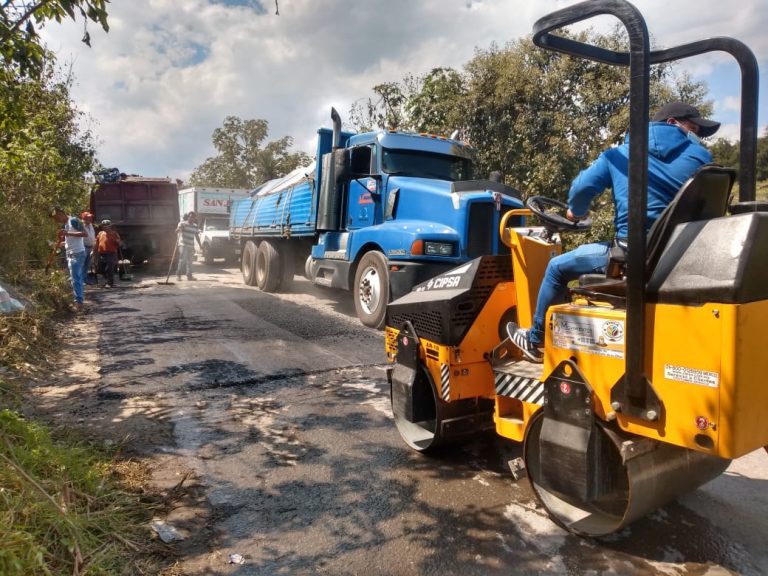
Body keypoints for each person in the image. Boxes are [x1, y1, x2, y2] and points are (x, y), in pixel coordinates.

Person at [509, 101, 720, 363]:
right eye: (693, 127)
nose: (695, 134)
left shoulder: (619, 155)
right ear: (671, 124)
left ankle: (535, 339)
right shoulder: (701, 158)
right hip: (681, 254)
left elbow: (581, 189)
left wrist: (575, 212)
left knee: (555, 268)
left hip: (633, 255)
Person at [50, 207, 89, 307]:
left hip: (77, 254)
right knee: (74, 278)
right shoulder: (66, 224)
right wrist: (60, 244)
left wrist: (67, 233)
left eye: (56, 217)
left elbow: (85, 234)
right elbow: (70, 240)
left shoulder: (74, 220)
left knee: (76, 278)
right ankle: (78, 300)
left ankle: (79, 302)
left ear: (61, 213)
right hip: (70, 254)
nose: (55, 220)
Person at [176, 211, 202, 280]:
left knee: (190, 261)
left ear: (194, 218)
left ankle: (189, 276)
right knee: (182, 260)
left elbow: (196, 236)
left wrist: (200, 245)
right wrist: (179, 228)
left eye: (193, 217)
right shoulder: (183, 224)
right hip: (183, 245)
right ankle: (178, 275)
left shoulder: (195, 226)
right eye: (190, 217)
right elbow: (176, 231)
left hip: (191, 246)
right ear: (188, 217)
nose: (192, 218)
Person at [95, 220, 121, 288]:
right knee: (100, 269)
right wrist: (93, 251)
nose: (105, 228)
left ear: (110, 227)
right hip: (101, 254)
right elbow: (97, 243)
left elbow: (119, 243)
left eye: (107, 226)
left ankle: (110, 283)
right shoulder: (100, 233)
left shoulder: (114, 233)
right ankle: (107, 281)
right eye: (104, 226)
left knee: (109, 269)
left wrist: (117, 241)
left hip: (111, 253)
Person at [81, 211, 97, 284]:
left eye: (91, 217)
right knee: (82, 264)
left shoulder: (90, 225)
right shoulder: (81, 225)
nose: (91, 219)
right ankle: (81, 280)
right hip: (83, 247)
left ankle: (84, 279)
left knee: (87, 265)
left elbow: (92, 237)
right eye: (89, 218)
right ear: (84, 218)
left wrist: (93, 248)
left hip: (90, 248)